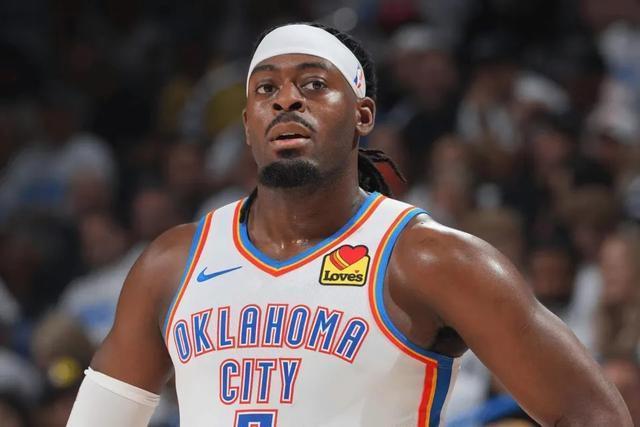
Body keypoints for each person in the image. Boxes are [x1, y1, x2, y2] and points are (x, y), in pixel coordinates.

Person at [67, 23, 631, 426]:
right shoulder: (172, 262)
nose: (286, 100)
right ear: (247, 123)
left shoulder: (433, 259)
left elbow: (594, 415)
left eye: (313, 84)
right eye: (266, 89)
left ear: (362, 114)